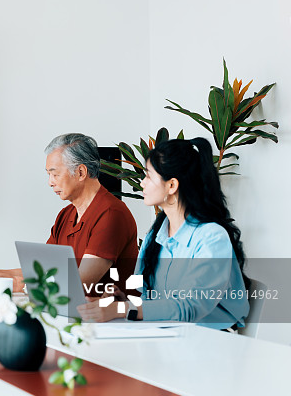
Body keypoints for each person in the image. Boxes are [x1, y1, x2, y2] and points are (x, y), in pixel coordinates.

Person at [77, 138, 250, 329]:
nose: (142, 183)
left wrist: (123, 309)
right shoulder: (157, 234)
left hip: (212, 339)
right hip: (167, 332)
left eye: (149, 177)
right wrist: (121, 298)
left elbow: (189, 308)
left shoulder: (212, 238)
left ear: (172, 186)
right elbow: (150, 298)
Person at [0, 133, 138, 294]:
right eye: (48, 175)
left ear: (81, 172)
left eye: (55, 175)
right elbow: (45, 269)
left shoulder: (111, 214)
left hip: (109, 321)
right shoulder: (66, 215)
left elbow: (80, 284)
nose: (50, 183)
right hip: (72, 314)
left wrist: (18, 285)